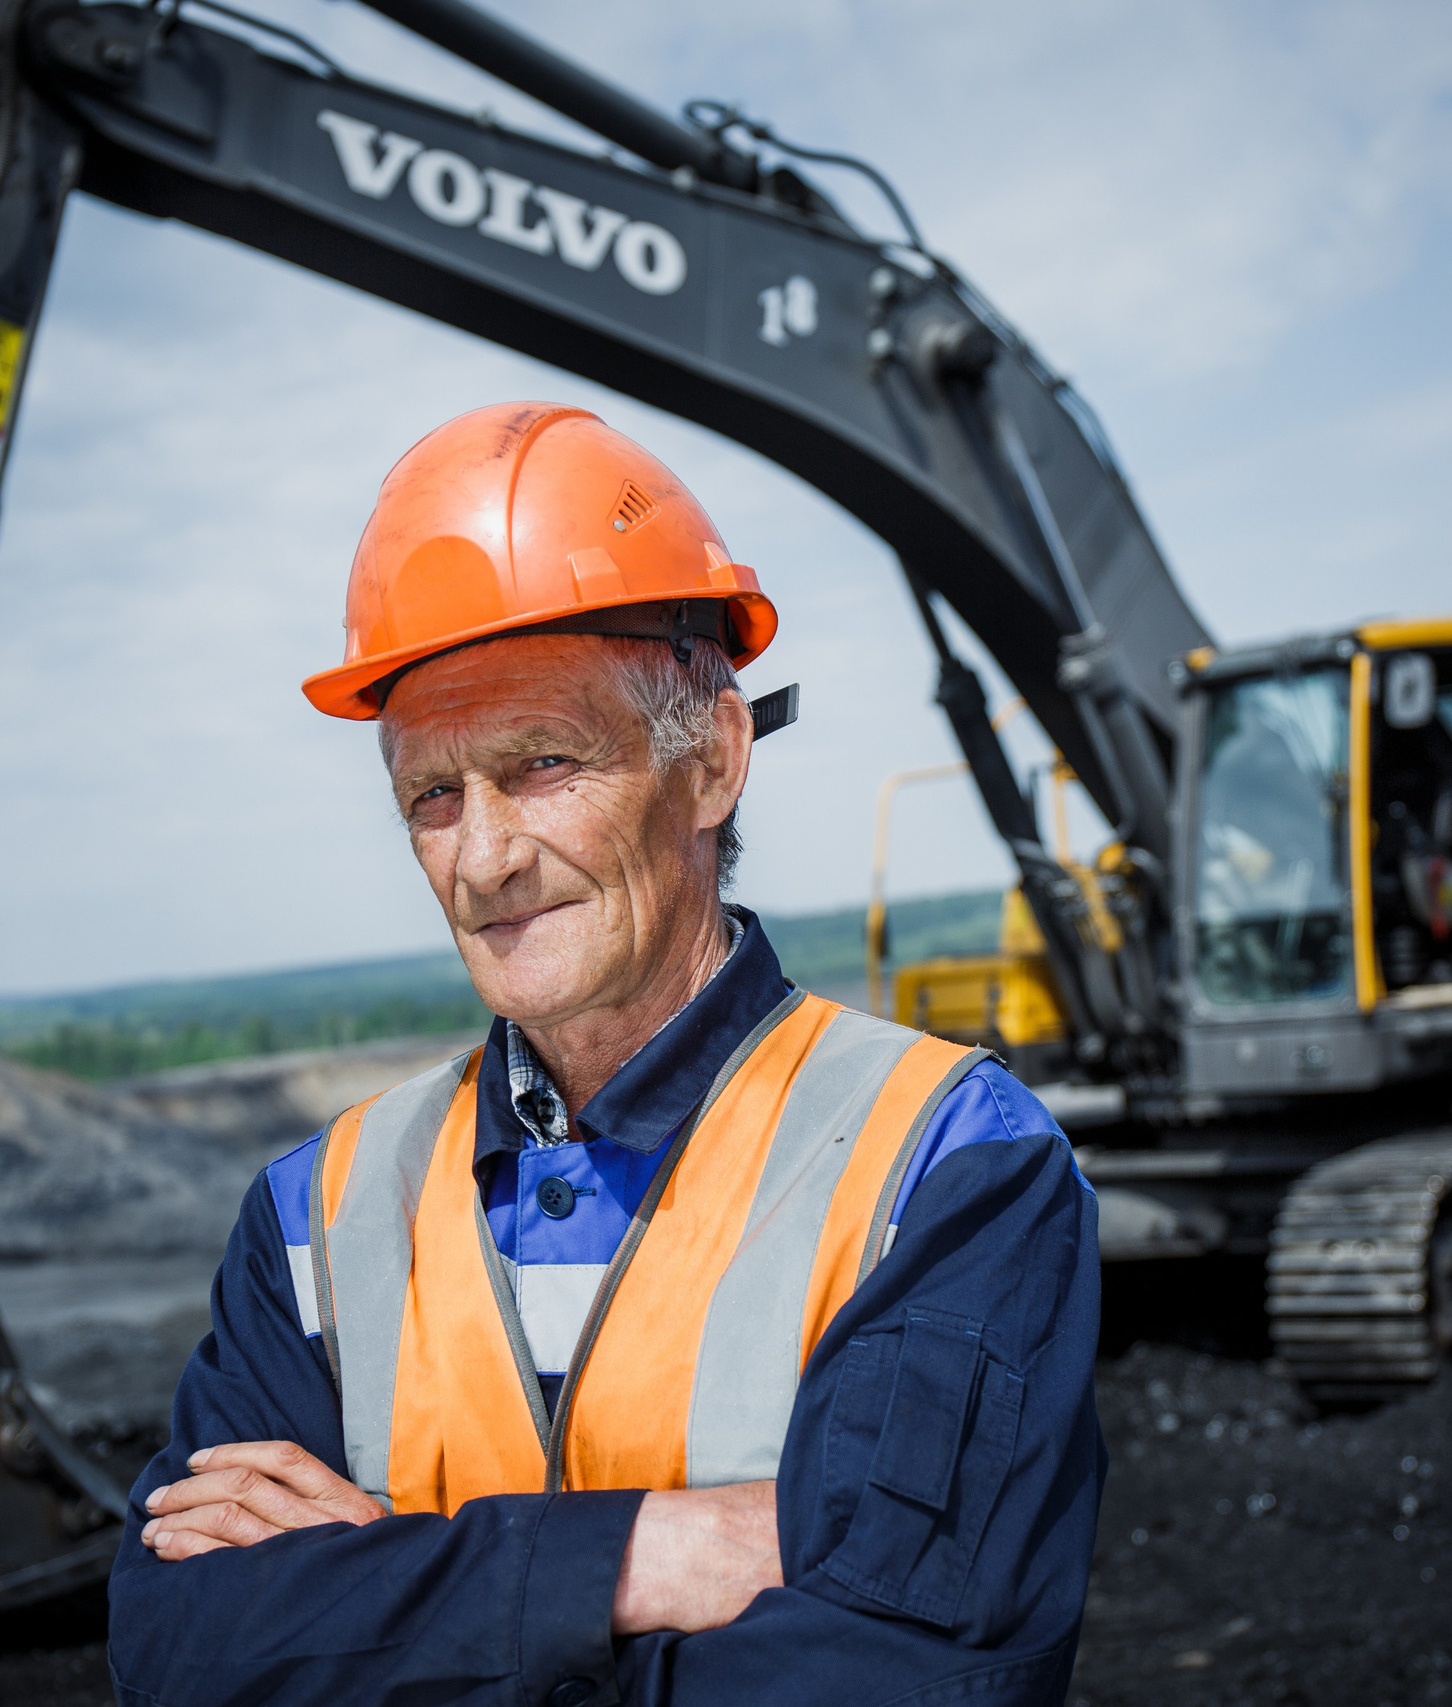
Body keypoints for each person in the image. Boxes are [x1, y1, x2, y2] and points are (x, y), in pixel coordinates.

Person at [107, 402, 1104, 1706]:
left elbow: (903, 1677)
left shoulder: (951, 1169)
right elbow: (182, 1655)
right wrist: (646, 1554)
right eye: (432, 794)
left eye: (543, 764)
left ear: (712, 761)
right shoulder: (316, 1217)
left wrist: (374, 1597)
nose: (484, 856)